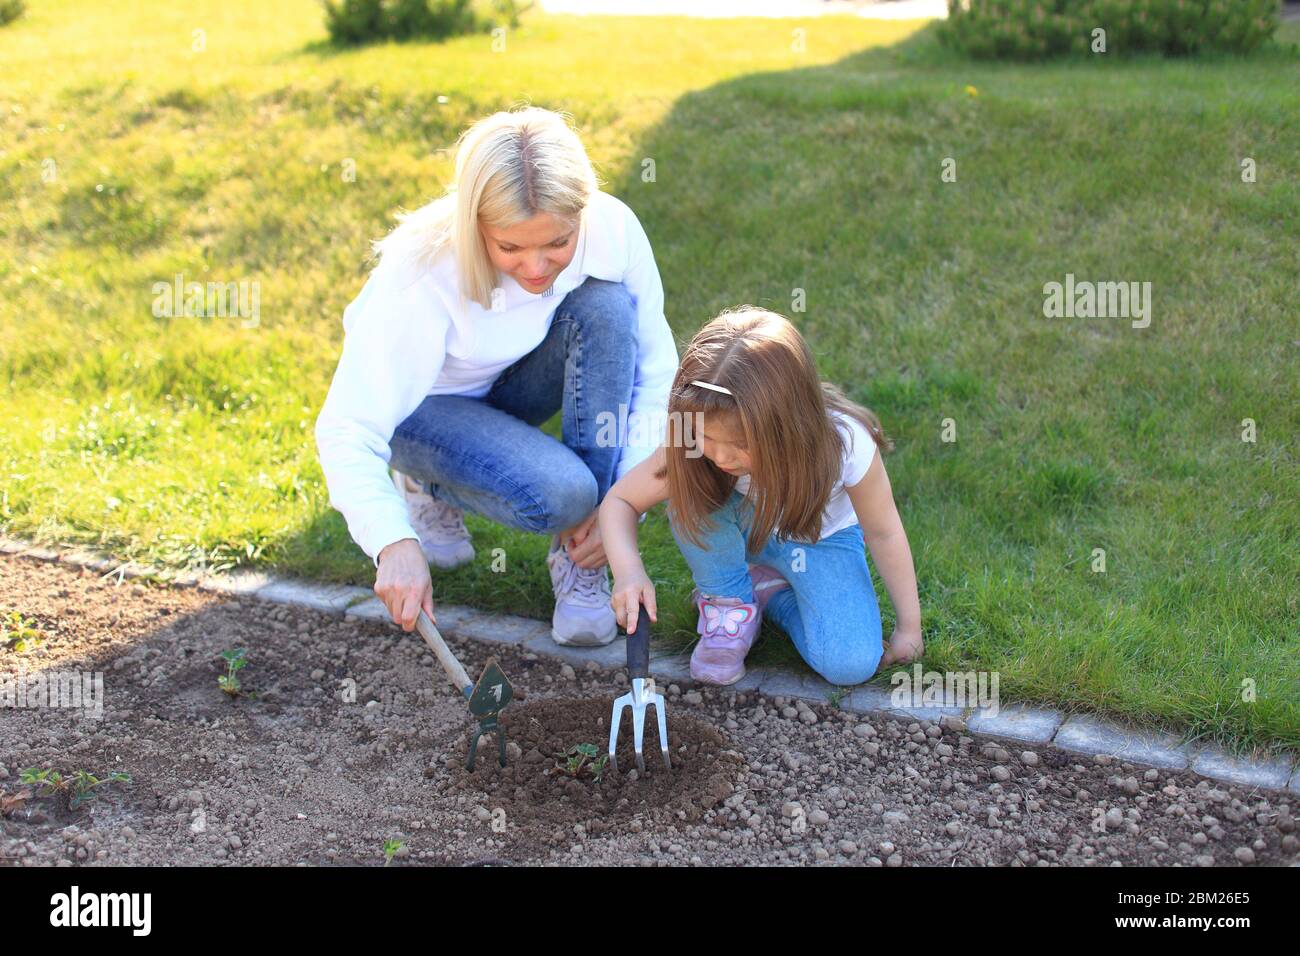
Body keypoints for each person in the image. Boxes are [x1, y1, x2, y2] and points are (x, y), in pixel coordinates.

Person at [315, 107, 678, 645]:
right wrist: (393, 542)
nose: (536, 268)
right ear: (474, 223)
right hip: (424, 411)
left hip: (514, 382)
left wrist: (622, 507)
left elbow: (655, 370)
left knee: (606, 307)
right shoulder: (420, 271)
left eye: (556, 243)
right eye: (509, 247)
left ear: (582, 213)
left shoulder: (613, 229)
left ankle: (582, 559)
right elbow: (345, 426)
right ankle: (423, 479)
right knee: (564, 493)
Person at [600, 307, 923, 686]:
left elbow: (884, 533)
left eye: (738, 444)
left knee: (849, 664)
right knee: (696, 497)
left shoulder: (846, 446)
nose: (720, 456)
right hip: (743, 529)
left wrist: (909, 627)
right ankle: (730, 606)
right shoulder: (692, 438)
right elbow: (620, 502)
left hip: (822, 541)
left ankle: (767, 594)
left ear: (787, 424)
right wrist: (628, 572)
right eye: (708, 438)